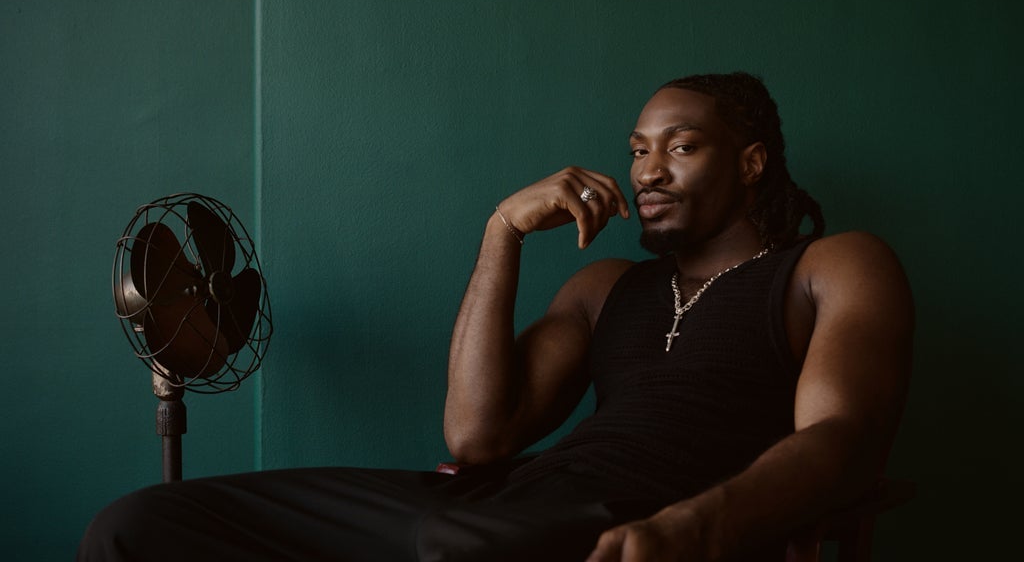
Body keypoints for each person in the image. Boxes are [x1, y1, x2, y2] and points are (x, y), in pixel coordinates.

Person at [78, 72, 913, 562]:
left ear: (752, 162)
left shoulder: (832, 266)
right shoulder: (606, 286)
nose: (648, 171)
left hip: (622, 524)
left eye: (681, 147)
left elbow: (841, 441)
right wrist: (501, 232)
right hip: (496, 504)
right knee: (140, 525)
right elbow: (478, 437)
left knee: (464, 550)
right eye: (638, 149)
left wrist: (692, 529)